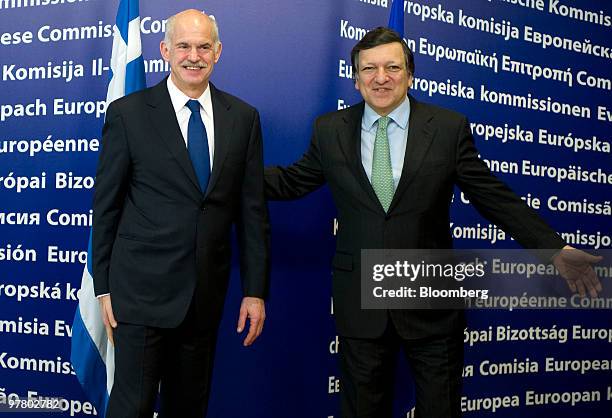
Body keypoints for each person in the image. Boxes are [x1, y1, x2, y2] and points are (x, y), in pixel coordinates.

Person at [264, 27, 600, 418]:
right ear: (356, 80)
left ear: (410, 75)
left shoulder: (447, 127)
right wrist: (224, 171)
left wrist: (552, 248)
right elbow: (292, 181)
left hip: (431, 303)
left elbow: (492, 196)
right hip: (362, 303)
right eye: (369, 69)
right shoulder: (330, 130)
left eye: (392, 67)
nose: (381, 77)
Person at [92, 10, 269, 418]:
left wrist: (255, 290)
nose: (194, 55)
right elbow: (106, 206)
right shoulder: (129, 113)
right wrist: (103, 287)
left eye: (204, 46)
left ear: (218, 52)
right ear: (165, 50)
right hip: (138, 295)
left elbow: (252, 212)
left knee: (189, 406)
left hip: (204, 296)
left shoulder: (242, 118)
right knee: (131, 407)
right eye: (184, 46)